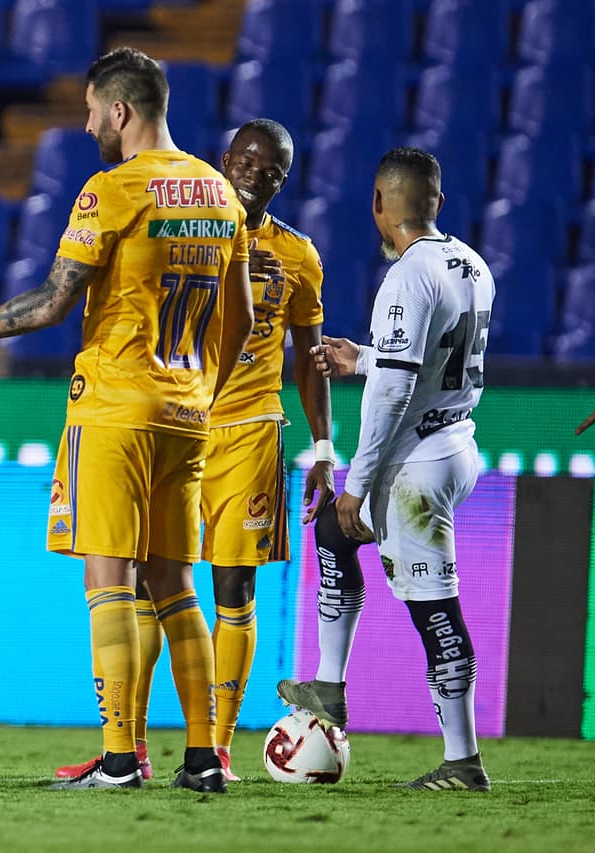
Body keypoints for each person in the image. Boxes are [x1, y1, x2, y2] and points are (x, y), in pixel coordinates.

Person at [0, 46, 253, 791]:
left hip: (116, 408)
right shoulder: (220, 194)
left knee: (109, 577)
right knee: (178, 583)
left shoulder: (112, 190)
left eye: (92, 111)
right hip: (189, 411)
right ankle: (205, 756)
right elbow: (241, 318)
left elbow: (52, 302)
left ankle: (120, 759)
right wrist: (203, 384)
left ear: (121, 109)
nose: (87, 126)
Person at [54, 118, 335, 785]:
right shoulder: (189, 228)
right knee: (155, 588)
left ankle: (218, 749)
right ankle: (135, 746)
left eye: (270, 170)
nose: (253, 174)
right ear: (224, 159)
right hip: (179, 417)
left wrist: (324, 443)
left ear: (282, 181)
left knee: (230, 588)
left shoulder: (298, 255)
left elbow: (311, 359)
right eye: (245, 160)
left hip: (247, 428)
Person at [277, 147, 495, 791]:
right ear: (438, 204)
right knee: (335, 536)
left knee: (436, 612)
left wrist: (358, 483)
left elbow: (396, 395)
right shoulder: (471, 264)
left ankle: (463, 761)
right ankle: (330, 685)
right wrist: (367, 358)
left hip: (414, 468)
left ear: (378, 203)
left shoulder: (404, 278)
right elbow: (432, 365)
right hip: (455, 442)